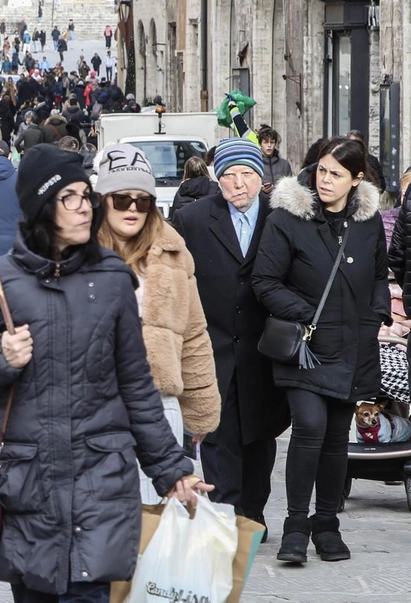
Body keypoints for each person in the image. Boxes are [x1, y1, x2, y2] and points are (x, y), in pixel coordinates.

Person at [0, 144, 206, 602]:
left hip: (100, 477)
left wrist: (170, 468)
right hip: (27, 485)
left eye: (88, 195)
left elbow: (136, 384)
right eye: (72, 197)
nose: (87, 207)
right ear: (44, 207)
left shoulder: (111, 279)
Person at [253, 137, 390, 563]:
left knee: (335, 438)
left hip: (354, 348)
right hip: (306, 347)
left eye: (336, 174)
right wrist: (307, 312)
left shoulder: (367, 223)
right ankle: (296, 525)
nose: (325, 180)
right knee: (309, 427)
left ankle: (326, 524)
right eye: (321, 171)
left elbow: (379, 276)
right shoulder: (288, 218)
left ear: (357, 179)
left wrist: (378, 314)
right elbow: (265, 281)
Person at [94, 144, 222, 503]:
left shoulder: (173, 251)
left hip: (159, 401)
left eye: (143, 199)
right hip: (94, 404)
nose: (133, 208)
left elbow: (194, 333)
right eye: (121, 199)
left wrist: (199, 409)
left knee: (154, 521)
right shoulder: (80, 253)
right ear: (102, 199)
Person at [171, 137, 285, 539]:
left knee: (259, 433)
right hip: (212, 346)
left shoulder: (282, 216)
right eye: (229, 176)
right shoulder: (193, 219)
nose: (239, 184)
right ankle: (225, 513)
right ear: (217, 179)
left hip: (264, 348)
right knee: (217, 435)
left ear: (261, 178)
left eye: (247, 175)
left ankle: (253, 510)